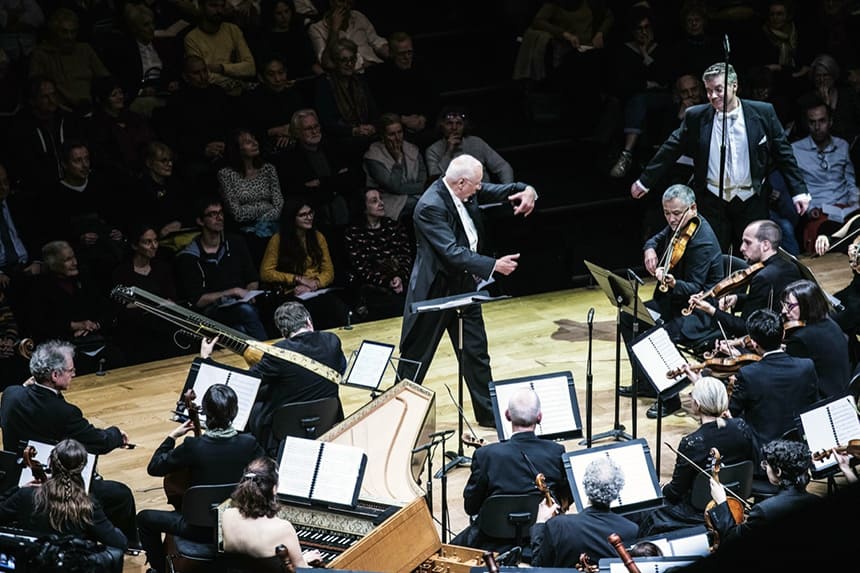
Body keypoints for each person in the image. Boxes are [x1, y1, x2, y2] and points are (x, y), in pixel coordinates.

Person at [398, 154, 537, 426]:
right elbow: (451, 252)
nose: (479, 188)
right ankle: (396, 413)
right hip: (435, 292)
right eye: (476, 184)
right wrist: (493, 265)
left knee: (476, 353)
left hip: (463, 287)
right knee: (416, 357)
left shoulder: (466, 191)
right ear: (461, 183)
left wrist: (528, 190)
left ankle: (488, 415)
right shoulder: (430, 206)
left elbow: (504, 190)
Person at [630, 62, 810, 252]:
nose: (713, 96)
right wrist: (645, 181)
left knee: (754, 257)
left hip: (751, 200)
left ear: (734, 86)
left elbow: (784, 153)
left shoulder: (763, 112)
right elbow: (670, 149)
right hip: (712, 201)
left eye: (718, 89)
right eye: (709, 91)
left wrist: (799, 190)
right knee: (713, 257)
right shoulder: (696, 116)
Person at [0, 341, 139, 547]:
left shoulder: (11, 394)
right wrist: (116, 434)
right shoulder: (65, 412)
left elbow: (28, 402)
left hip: (13, 477)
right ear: (55, 375)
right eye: (70, 370)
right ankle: (127, 545)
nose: (74, 374)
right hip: (51, 481)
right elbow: (97, 442)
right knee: (120, 494)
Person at [620, 184, 723, 418]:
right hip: (674, 303)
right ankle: (646, 383)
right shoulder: (680, 226)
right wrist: (649, 249)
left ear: (693, 208)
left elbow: (696, 288)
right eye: (667, 213)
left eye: (676, 213)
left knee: (659, 335)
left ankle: (671, 398)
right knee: (629, 316)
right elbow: (656, 238)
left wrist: (673, 282)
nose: (671, 219)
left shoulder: (702, 241)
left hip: (699, 311)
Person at [137, 383, 264, 573]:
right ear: (235, 413)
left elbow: (154, 467)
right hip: (237, 522)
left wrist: (171, 437)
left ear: (205, 413)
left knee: (144, 519)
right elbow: (268, 472)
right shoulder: (249, 444)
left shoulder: (193, 447)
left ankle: (159, 569)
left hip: (197, 528)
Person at [201, 301, 346, 456]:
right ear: (308, 321)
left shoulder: (278, 352)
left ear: (283, 332)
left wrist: (206, 358)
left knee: (254, 404)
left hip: (286, 428)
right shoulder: (332, 340)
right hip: (328, 420)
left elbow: (245, 382)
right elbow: (341, 369)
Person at [636, 376, 756, 537]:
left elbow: (676, 491)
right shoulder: (742, 427)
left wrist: (662, 488)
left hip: (698, 510)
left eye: (691, 395)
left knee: (648, 512)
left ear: (697, 405)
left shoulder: (692, 442)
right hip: (734, 499)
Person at [452, 388, 567, 551]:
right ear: (539, 417)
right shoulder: (556, 451)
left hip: (492, 540)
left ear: (507, 415)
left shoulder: (485, 455)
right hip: (540, 538)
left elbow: (471, 507)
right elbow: (563, 499)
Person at [0, 438, 127, 557]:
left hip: (32, 562)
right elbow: (120, 543)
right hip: (71, 565)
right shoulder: (87, 505)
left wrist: (18, 489)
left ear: (51, 464)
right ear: (82, 467)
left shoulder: (25, 495)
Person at [728, 309, 818, 465]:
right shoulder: (806, 366)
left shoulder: (748, 374)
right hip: (799, 454)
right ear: (783, 334)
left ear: (754, 343)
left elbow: (731, 413)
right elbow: (813, 406)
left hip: (764, 457)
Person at [174, 195, 268, 341]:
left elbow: (252, 278)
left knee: (241, 329)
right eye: (213, 214)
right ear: (200, 221)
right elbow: (197, 300)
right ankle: (268, 352)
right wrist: (233, 291)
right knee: (246, 312)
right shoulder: (189, 256)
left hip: (241, 303)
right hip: (212, 311)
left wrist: (249, 294)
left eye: (220, 213)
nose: (219, 218)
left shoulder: (236, 242)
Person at [688, 219, 801, 338]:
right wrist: (737, 299)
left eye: (748, 243)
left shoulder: (762, 277)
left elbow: (745, 328)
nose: (742, 248)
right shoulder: (790, 266)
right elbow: (768, 302)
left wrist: (711, 310)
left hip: (767, 337)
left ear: (765, 245)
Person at [26, 241, 124, 374]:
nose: (74, 263)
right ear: (53, 264)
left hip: (93, 338)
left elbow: (106, 308)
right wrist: (73, 326)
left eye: (74, 257)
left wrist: (94, 325)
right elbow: (40, 323)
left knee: (116, 357)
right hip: (60, 344)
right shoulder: (40, 287)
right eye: (68, 260)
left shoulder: (84, 278)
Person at [258, 199, 349, 331]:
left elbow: (328, 271)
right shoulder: (278, 240)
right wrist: (297, 279)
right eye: (303, 215)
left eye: (310, 213)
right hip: (290, 292)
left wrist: (314, 284)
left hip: (316, 289)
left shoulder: (318, 237)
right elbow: (265, 272)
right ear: (292, 218)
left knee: (337, 307)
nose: (309, 217)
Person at [530, 456, 638, 568]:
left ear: (586, 485)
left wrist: (540, 524)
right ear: (618, 490)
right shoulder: (631, 530)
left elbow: (539, 567)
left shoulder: (558, 525)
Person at [707, 439, 819, 543]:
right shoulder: (816, 499)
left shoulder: (764, 510)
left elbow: (732, 539)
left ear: (778, 471)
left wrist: (722, 503)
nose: (765, 468)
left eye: (766, 464)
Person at [221, 457, 323, 565]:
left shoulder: (227, 516)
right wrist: (303, 560)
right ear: (274, 489)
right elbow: (300, 569)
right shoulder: (283, 528)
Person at [791, 98, 860, 253]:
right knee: (827, 234)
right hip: (819, 210)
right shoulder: (795, 150)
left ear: (830, 122)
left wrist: (855, 202)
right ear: (807, 124)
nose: (817, 127)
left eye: (822, 121)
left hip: (846, 208)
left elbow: (850, 181)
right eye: (812, 122)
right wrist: (809, 209)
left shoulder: (842, 146)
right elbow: (795, 186)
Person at [110, 222, 184, 365]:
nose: (154, 245)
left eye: (155, 241)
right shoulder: (122, 272)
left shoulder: (162, 268)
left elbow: (171, 301)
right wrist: (158, 304)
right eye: (147, 242)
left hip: (161, 326)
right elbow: (122, 309)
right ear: (135, 245)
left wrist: (142, 305)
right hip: (135, 331)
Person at [343, 188, 413, 321]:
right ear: (364, 207)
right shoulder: (354, 233)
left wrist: (399, 277)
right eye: (374, 201)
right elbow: (362, 268)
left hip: (401, 281)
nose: (381, 203)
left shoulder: (394, 226)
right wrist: (388, 281)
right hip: (372, 287)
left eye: (381, 199)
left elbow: (405, 256)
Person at [217, 127, 284, 263]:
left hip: (272, 226)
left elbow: (279, 204)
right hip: (244, 233)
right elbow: (237, 213)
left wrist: (263, 220)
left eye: (254, 139)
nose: (255, 143)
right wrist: (266, 206)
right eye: (248, 142)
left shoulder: (268, 169)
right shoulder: (225, 174)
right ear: (237, 149)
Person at [27, 7, 110, 113]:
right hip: (58, 111)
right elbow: (36, 89)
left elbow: (105, 79)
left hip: (90, 108)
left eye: (73, 32)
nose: (69, 37)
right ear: (54, 32)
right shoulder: (41, 54)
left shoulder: (85, 49)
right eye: (64, 32)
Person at [365, 31, 439, 148]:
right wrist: (403, 119)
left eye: (409, 52)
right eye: (401, 54)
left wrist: (423, 118)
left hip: (423, 123)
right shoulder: (379, 76)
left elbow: (433, 98)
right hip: (396, 127)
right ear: (392, 53)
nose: (407, 57)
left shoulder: (422, 69)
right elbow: (381, 106)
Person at [780, 279, 850, 400]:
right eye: (784, 305)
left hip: (821, 400)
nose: (784, 311)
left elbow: (790, 376)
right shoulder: (830, 323)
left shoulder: (801, 338)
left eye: (790, 306)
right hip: (840, 391)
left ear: (806, 305)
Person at [313, 37, 378, 155]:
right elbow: (327, 122)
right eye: (344, 60)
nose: (349, 64)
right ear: (335, 62)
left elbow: (373, 109)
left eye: (352, 59)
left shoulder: (359, 80)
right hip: (342, 136)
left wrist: (372, 126)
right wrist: (354, 130)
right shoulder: (325, 84)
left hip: (365, 130)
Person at [362, 112, 428, 223]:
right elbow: (394, 187)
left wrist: (408, 189)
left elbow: (423, 183)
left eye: (400, 132)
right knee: (425, 206)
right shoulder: (373, 156)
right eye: (391, 134)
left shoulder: (412, 149)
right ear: (383, 136)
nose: (397, 138)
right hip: (387, 199)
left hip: (416, 195)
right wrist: (398, 161)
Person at [239, 54, 307, 157]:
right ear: (261, 77)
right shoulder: (251, 100)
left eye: (281, 73)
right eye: (271, 74)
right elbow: (247, 132)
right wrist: (272, 131)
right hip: (265, 150)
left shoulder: (293, 95)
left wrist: (291, 129)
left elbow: (306, 118)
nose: (278, 79)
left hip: (297, 142)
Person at [183, 0, 255, 96]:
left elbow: (250, 68)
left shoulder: (233, 30)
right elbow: (201, 77)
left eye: (222, 6)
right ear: (201, 7)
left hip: (240, 92)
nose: (219, 10)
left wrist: (221, 68)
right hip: (210, 94)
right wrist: (236, 76)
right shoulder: (192, 38)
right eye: (213, 5)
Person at [425, 106, 513, 184]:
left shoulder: (476, 142)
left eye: (459, 123)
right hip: (453, 195)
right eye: (449, 123)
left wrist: (508, 189)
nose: (454, 128)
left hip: (482, 191)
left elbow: (503, 167)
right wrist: (449, 151)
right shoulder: (433, 150)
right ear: (442, 126)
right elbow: (435, 180)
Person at [247, 0, 322, 81]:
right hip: (278, 81)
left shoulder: (299, 31)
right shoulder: (262, 37)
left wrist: (323, 76)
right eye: (279, 13)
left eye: (287, 11)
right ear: (270, 14)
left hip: (304, 79)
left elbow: (312, 62)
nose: (284, 16)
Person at [306, 0, 388, 72]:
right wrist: (334, 31)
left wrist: (391, 52)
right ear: (331, 2)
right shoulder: (316, 29)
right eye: (341, 1)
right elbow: (326, 63)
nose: (345, 6)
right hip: (353, 74)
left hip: (376, 65)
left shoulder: (358, 16)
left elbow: (376, 41)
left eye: (349, 3)